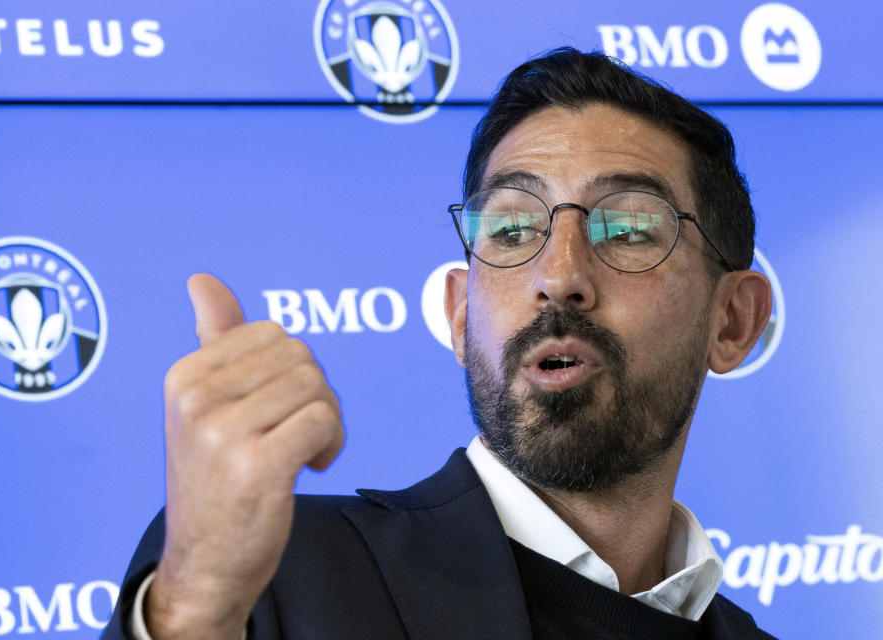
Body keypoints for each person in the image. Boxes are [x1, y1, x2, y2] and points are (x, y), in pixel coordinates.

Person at [103, 47, 776, 639]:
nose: (559, 275)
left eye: (627, 230)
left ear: (733, 322)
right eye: (512, 230)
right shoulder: (272, 579)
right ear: (460, 316)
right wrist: (196, 609)